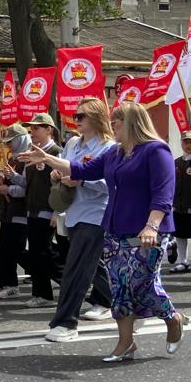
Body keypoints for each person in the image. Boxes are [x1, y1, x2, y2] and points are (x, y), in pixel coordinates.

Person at [21, 101, 185, 361]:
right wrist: (48, 158)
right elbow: (82, 170)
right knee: (120, 288)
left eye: (116, 123)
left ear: (130, 123)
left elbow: (163, 195)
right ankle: (125, 343)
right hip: (114, 228)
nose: (112, 127)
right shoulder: (115, 154)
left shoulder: (156, 151)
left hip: (147, 231)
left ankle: (171, 317)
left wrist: (151, 226)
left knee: (143, 285)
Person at [43, 98, 115, 342]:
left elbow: (110, 185)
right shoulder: (73, 143)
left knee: (76, 270)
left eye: (82, 116)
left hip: (95, 215)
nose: (77, 120)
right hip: (73, 212)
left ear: (96, 117)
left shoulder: (108, 147)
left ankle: (66, 322)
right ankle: (129, 306)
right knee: (91, 268)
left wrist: (81, 180)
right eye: (76, 115)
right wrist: (57, 174)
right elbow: (65, 167)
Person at [19, 113, 63, 307]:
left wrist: (57, 211)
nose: (32, 132)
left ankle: (68, 282)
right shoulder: (31, 152)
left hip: (48, 210)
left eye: (37, 128)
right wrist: (11, 178)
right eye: (31, 129)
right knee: (37, 254)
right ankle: (41, 293)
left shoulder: (56, 152)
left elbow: (62, 184)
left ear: (49, 130)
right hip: (32, 209)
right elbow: (25, 182)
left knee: (45, 253)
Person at [0, 124, 31, 299]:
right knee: (6, 250)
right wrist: (2, 181)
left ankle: (46, 272)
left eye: (11, 141)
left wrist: (9, 188)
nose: (8, 145)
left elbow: (27, 188)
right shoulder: (14, 159)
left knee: (17, 251)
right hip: (8, 212)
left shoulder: (28, 160)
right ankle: (10, 284)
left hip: (21, 212)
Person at [170, 131, 191, 274]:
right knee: (180, 235)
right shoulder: (176, 162)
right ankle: (183, 261)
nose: (189, 145)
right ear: (181, 143)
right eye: (186, 142)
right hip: (179, 205)